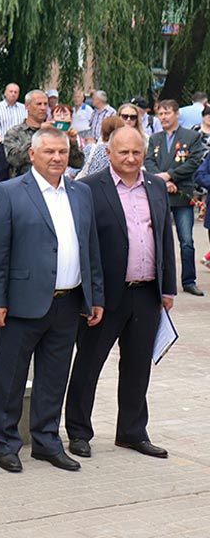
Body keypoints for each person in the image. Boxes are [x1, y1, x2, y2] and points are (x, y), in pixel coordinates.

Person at [0, 126, 104, 473]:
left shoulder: (80, 193)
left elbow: (90, 247)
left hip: (67, 303)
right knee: (10, 377)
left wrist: (93, 295)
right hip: (22, 302)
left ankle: (47, 441)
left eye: (63, 152)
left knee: (54, 377)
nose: (57, 158)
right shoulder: (10, 192)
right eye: (50, 152)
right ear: (33, 154)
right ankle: (6, 443)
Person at [65, 126, 177, 460]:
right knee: (88, 364)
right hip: (104, 297)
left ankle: (131, 431)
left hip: (146, 294)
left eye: (136, 153)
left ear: (145, 154)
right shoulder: (88, 188)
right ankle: (79, 432)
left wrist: (167, 288)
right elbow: (83, 247)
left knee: (138, 365)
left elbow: (164, 239)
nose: (130, 159)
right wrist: (89, 296)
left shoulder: (156, 186)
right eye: (123, 152)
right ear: (109, 153)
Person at [144, 99, 208, 296]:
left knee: (186, 240)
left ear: (177, 114)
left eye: (167, 113)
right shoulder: (155, 138)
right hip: (160, 194)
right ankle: (158, 280)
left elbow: (194, 161)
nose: (163, 117)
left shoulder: (192, 136)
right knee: (157, 239)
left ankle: (189, 280)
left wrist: (170, 176)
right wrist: (162, 180)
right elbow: (149, 161)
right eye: (160, 114)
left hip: (182, 194)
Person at [3, 90, 82, 177]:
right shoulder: (15, 132)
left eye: (45, 104)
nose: (43, 108)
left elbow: (77, 163)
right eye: (39, 104)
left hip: (53, 183)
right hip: (25, 183)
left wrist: (73, 142)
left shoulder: (56, 133)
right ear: (27, 106)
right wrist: (39, 133)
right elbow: (14, 160)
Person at [0, 83, 26, 182]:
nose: (13, 94)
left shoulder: (24, 108)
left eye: (16, 92)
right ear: (5, 93)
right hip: (2, 144)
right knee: (2, 174)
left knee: (19, 174)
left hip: (20, 145)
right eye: (11, 91)